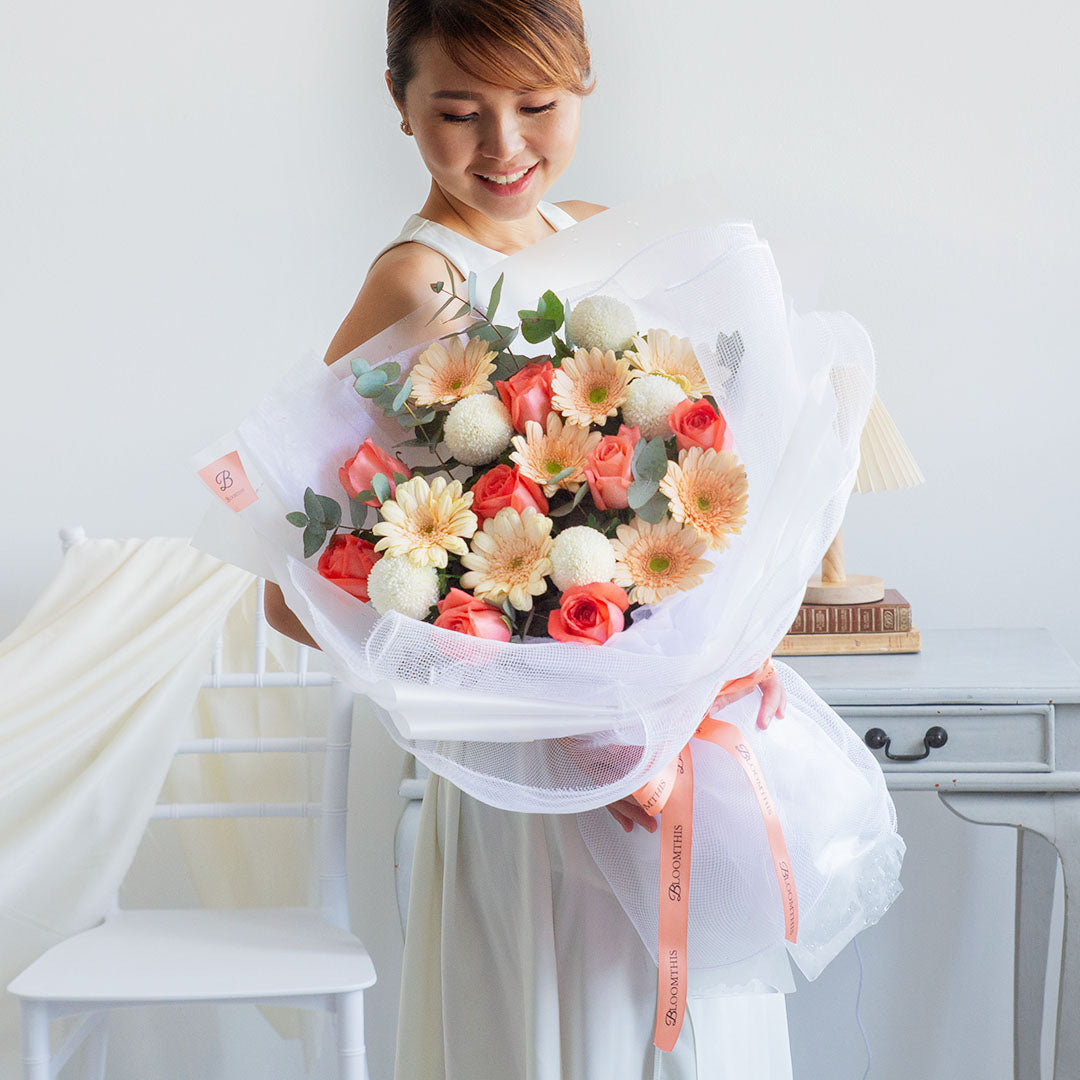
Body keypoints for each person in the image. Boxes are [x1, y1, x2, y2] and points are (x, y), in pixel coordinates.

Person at [266, 2, 790, 1076]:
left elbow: (705, 490)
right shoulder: (416, 284)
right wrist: (522, 671)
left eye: (537, 105)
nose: (503, 146)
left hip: (665, 750)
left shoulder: (602, 239)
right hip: (528, 791)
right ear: (398, 101)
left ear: (584, 85)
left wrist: (723, 652)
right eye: (458, 110)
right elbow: (296, 591)